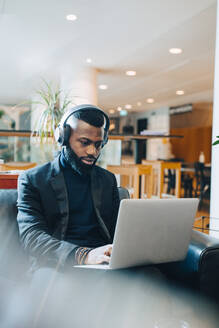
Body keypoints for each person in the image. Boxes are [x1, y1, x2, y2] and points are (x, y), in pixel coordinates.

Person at [17, 104, 120, 274]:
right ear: (63, 138)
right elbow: (32, 237)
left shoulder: (107, 180)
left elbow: (120, 230)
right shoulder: (33, 180)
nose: (92, 151)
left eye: (98, 144)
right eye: (84, 142)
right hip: (56, 264)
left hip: (103, 261)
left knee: (151, 276)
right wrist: (83, 255)